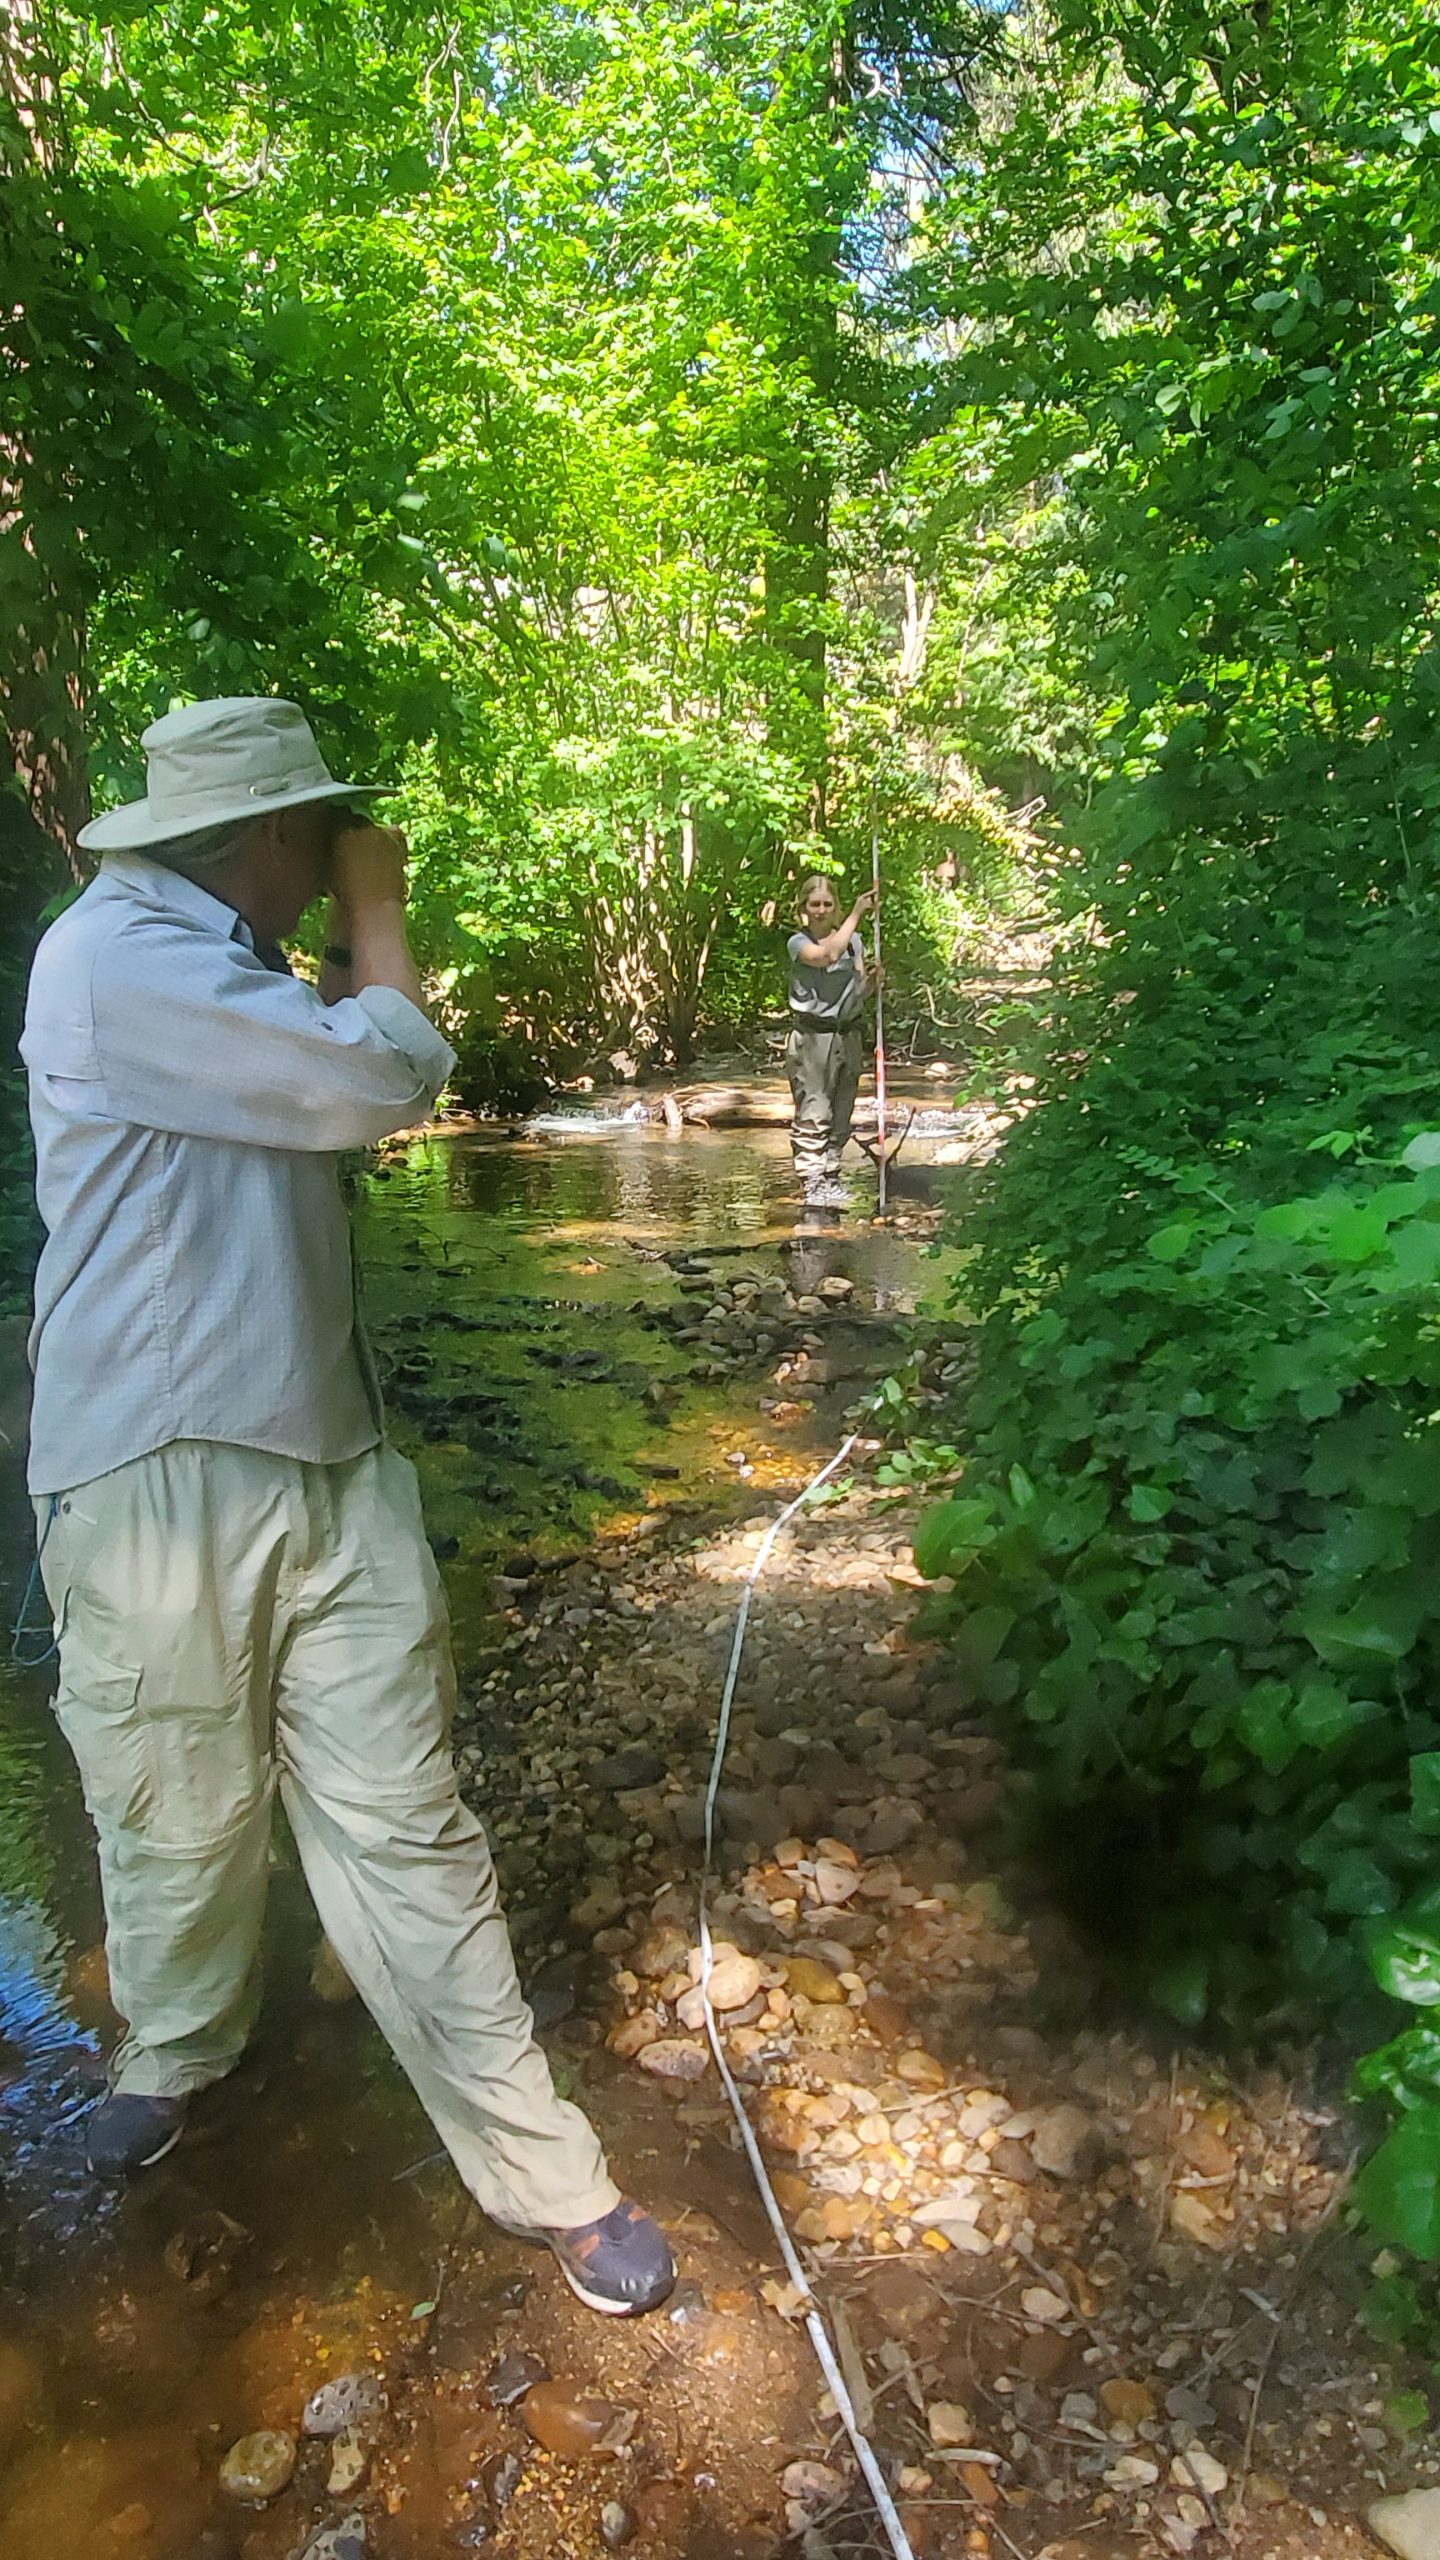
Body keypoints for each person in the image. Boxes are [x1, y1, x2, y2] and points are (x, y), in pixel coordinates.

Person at [20, 695, 675, 2318]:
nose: (338, 860)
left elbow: (336, 1080)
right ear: (259, 838)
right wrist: (382, 921)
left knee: (410, 1826)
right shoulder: (113, 956)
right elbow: (386, 1076)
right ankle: (179, 2050)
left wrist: (342, 951)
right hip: (155, 1466)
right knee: (176, 1816)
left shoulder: (218, 964)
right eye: (325, 834)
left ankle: (546, 2177)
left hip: (329, 1460)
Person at [785, 874, 875, 1208]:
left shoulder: (855, 942)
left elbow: (857, 990)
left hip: (848, 1034)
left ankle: (832, 1174)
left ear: (834, 906)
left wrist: (872, 983)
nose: (821, 910)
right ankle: (811, 1181)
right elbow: (825, 957)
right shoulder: (798, 942)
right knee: (814, 1109)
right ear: (804, 908)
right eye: (815, 904)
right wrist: (857, 912)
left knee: (842, 1110)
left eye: (827, 904)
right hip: (812, 1038)